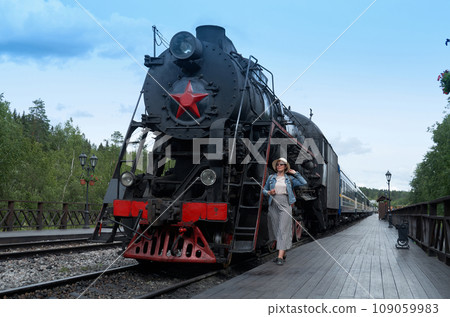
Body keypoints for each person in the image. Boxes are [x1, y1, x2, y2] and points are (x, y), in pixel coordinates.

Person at [263, 157, 307, 265]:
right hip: (273, 203)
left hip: (285, 203)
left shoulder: (290, 179)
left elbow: (303, 182)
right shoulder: (271, 177)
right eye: (278, 164)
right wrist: (268, 192)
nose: (279, 166)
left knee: (283, 229)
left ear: (285, 166)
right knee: (275, 229)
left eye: (281, 164)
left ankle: (279, 258)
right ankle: (283, 252)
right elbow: (263, 190)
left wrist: (296, 173)